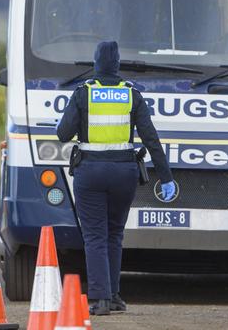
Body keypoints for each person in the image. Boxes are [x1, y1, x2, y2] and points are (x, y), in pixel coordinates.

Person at [57, 41, 175, 316]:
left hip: (91, 173)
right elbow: (151, 138)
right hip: (125, 174)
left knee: (95, 235)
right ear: (118, 64)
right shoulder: (131, 93)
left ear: (96, 63)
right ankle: (115, 295)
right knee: (114, 233)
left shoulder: (83, 92)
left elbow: (63, 134)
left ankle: (100, 299)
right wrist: (166, 176)